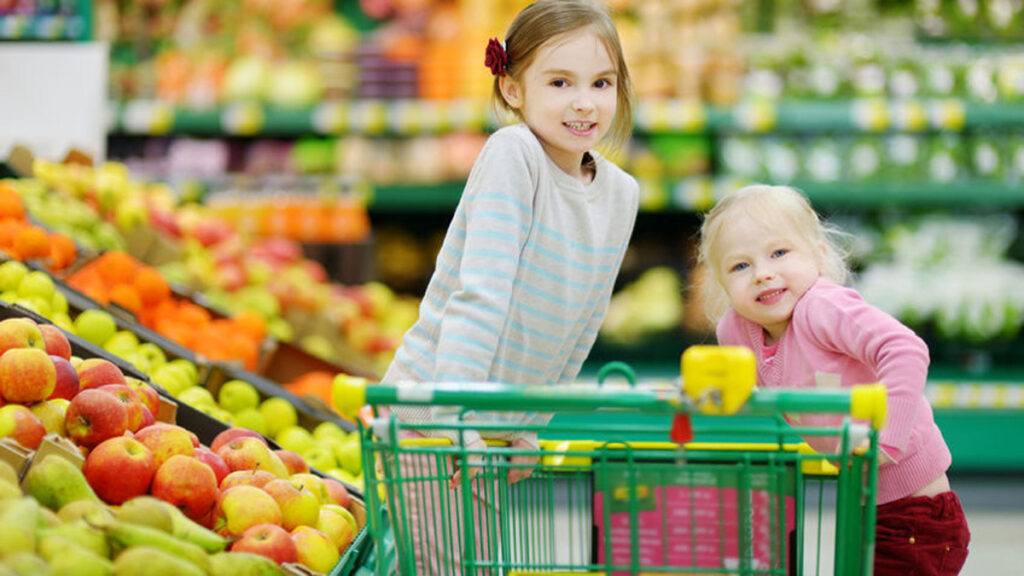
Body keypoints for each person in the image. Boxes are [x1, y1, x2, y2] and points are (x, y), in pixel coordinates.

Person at [379, 0, 638, 573]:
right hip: (432, 418)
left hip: (488, 430)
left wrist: (526, 424)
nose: (584, 101)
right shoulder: (513, 154)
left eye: (601, 82)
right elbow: (480, 296)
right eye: (559, 81)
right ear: (514, 90)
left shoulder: (621, 194)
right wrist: (455, 420)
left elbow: (581, 323)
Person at [696, 184, 970, 575]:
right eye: (740, 266)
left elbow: (906, 349)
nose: (763, 274)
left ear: (819, 256)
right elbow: (745, 397)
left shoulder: (822, 307)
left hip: (916, 513)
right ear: (721, 284)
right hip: (862, 503)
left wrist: (885, 438)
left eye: (779, 253)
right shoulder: (737, 331)